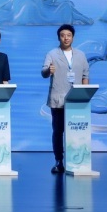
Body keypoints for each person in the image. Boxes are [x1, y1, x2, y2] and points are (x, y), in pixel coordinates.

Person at [41, 24, 90, 174]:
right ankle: (59, 161)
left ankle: (76, 160)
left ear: (73, 37)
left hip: (76, 100)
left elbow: (85, 75)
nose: (66, 38)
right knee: (58, 131)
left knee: (76, 131)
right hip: (58, 100)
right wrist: (48, 70)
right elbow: (43, 72)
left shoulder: (81, 55)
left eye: (69, 35)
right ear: (59, 37)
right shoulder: (52, 54)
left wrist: (85, 94)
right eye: (63, 35)